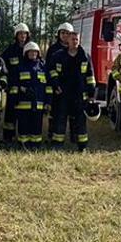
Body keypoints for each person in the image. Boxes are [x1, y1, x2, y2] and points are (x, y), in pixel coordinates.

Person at [45, 23, 96, 151]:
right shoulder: (58, 55)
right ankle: (57, 144)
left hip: (79, 94)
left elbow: (90, 76)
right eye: (72, 39)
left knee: (80, 121)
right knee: (60, 119)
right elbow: (51, 71)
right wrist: (55, 84)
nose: (74, 42)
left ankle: (82, 146)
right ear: (68, 40)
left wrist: (91, 94)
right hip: (63, 93)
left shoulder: (85, 56)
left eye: (76, 40)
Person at [8, 41, 51, 148]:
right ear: (26, 53)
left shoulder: (43, 67)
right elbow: (13, 84)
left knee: (36, 127)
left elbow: (48, 87)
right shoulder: (20, 67)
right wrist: (17, 95)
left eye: (35, 52)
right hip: (22, 104)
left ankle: (35, 145)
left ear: (38, 53)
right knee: (23, 126)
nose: (33, 54)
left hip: (38, 104)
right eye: (30, 52)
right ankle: (23, 145)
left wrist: (48, 102)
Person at [0, 23, 31, 144]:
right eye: (20, 34)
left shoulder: (31, 48)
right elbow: (2, 63)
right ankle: (8, 137)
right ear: (16, 35)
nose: (23, 36)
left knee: (25, 113)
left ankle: (24, 136)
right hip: (13, 86)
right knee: (10, 113)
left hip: (26, 87)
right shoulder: (11, 50)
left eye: (25, 34)